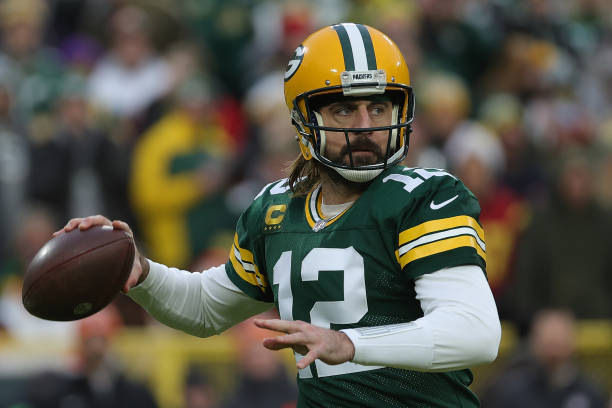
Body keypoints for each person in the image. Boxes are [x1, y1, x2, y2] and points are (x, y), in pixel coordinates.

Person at [56, 23, 501, 407]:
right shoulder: (274, 209)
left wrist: (349, 343)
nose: (366, 124)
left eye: (379, 106)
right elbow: (208, 308)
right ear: (304, 119)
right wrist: (141, 272)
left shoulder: (424, 198)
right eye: (345, 108)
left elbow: (475, 332)